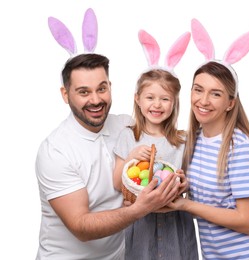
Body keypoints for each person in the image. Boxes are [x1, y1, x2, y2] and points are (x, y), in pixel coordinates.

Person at [35, 53, 181, 260]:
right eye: (83, 92)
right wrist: (140, 209)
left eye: (101, 89)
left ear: (110, 87)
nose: (95, 100)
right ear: (65, 94)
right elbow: (81, 227)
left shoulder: (126, 126)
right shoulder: (55, 151)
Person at [167, 19, 249, 260]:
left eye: (215, 94)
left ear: (230, 103)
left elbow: (247, 221)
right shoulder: (194, 141)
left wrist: (186, 205)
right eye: (198, 89)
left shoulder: (239, 147)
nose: (203, 100)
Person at [113, 68, 199, 260]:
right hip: (140, 227)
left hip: (174, 226)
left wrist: (185, 183)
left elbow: (190, 183)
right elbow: (117, 183)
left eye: (165, 99)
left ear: (174, 102)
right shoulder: (128, 136)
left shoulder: (183, 141)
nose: (157, 105)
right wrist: (131, 158)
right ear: (137, 99)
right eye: (150, 97)